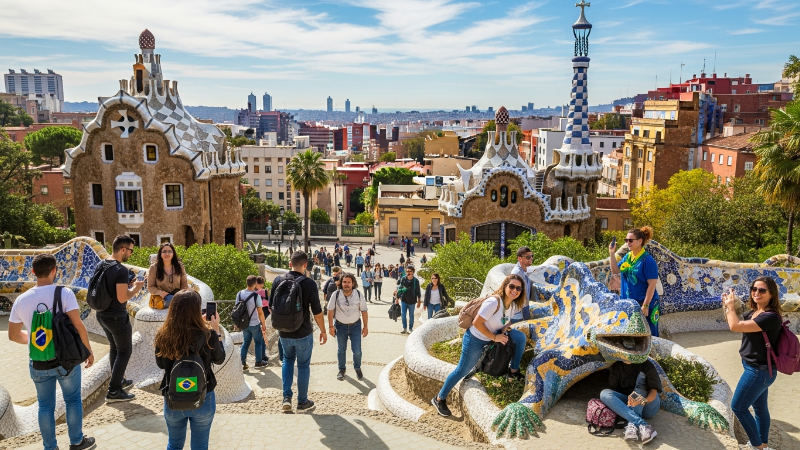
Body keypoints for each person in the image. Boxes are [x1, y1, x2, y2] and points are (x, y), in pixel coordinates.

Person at [8, 254, 96, 450]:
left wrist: (36, 342)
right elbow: (79, 326)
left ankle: (50, 447)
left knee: (45, 406)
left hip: (38, 362)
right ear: (54, 271)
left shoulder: (21, 299)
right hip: (66, 360)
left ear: (33, 272)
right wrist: (88, 351)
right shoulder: (64, 293)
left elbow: (13, 335)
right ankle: (76, 442)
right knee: (72, 399)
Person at [431, 274, 528, 417]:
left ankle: (513, 371)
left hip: (492, 337)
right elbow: (477, 322)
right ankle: (439, 398)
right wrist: (495, 337)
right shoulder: (494, 302)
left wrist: (504, 328)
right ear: (505, 286)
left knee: (519, 337)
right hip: (476, 339)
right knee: (461, 370)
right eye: (512, 286)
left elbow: (504, 321)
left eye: (518, 288)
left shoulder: (512, 305)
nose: (515, 290)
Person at [155, 290, 224, 450]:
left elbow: (160, 364)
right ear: (196, 310)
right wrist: (216, 330)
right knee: (200, 445)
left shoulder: (163, 334)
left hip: (173, 396)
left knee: (174, 445)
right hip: (203, 395)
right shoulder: (208, 334)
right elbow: (219, 359)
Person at [723, 277, 783, 450]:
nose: (757, 293)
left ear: (771, 294)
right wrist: (729, 305)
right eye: (754, 289)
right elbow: (734, 323)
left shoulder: (770, 317)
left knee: (738, 407)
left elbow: (735, 325)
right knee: (760, 408)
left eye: (762, 290)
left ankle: (756, 446)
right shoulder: (754, 312)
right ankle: (763, 444)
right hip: (755, 368)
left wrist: (730, 306)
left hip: (759, 371)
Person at [270, 251, 326, 412]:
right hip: (303, 332)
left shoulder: (278, 280)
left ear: (290, 264)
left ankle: (286, 399)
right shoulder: (309, 284)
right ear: (305, 265)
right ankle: (302, 402)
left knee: (287, 361)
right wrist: (323, 331)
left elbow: (271, 307)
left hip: (284, 333)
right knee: (303, 366)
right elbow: (317, 311)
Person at [97, 235, 143, 402]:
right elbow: (123, 298)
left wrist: (126, 287)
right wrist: (136, 288)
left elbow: (112, 291)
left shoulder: (102, 264)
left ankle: (119, 381)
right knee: (124, 351)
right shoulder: (121, 270)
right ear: (123, 249)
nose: (131, 254)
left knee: (115, 349)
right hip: (116, 316)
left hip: (102, 314)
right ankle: (114, 390)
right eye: (130, 250)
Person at [609, 226, 660, 337]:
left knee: (650, 334)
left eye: (630, 240)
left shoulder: (648, 260)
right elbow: (615, 270)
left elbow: (652, 285)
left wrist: (645, 306)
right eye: (626, 240)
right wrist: (612, 254)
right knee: (632, 335)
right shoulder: (628, 256)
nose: (628, 243)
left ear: (640, 241)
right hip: (630, 303)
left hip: (645, 303)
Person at [599, 359, 662, 444]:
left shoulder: (646, 364)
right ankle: (641, 424)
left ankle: (632, 423)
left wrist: (643, 401)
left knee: (640, 382)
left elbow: (654, 392)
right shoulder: (616, 366)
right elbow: (615, 390)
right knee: (604, 394)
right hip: (630, 403)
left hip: (648, 404)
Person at [327, 273, 369, 381]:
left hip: (355, 326)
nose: (346, 284)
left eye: (348, 282)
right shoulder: (336, 294)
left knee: (357, 351)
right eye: (344, 282)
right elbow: (330, 310)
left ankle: (357, 368)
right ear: (341, 283)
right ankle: (341, 370)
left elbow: (364, 311)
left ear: (353, 283)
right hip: (340, 327)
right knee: (341, 349)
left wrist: (365, 327)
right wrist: (331, 326)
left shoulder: (358, 295)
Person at [236, 275, 267, 370]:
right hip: (254, 323)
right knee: (258, 342)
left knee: (246, 342)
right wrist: (263, 324)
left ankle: (242, 362)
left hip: (244, 324)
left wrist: (236, 323)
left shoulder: (240, 294)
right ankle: (258, 362)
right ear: (255, 284)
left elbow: (236, 310)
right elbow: (260, 312)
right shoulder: (256, 296)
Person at [147, 242, 189, 306]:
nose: (167, 254)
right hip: (162, 298)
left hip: (177, 296)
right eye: (164, 251)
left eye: (169, 251)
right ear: (160, 254)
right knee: (171, 299)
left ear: (173, 254)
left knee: (195, 298)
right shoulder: (154, 268)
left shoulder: (179, 265)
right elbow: (150, 287)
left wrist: (182, 295)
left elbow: (184, 284)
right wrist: (160, 292)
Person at [394, 265, 421, 334]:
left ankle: (410, 328)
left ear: (413, 272)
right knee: (403, 315)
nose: (408, 273)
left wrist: (419, 301)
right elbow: (400, 288)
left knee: (411, 315)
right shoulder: (403, 279)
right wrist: (397, 298)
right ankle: (404, 328)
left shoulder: (416, 281)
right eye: (407, 271)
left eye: (410, 271)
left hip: (412, 301)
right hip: (404, 300)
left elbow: (418, 291)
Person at [509, 246, 534, 323]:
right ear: (520, 258)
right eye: (528, 257)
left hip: (525, 308)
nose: (531, 258)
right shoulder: (516, 273)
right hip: (517, 313)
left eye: (532, 256)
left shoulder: (525, 271)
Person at [256, 276, 271, 364]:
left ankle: (261, 356)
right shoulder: (265, 291)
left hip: (259, 313)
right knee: (264, 335)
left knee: (260, 336)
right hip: (266, 313)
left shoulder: (255, 293)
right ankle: (264, 355)